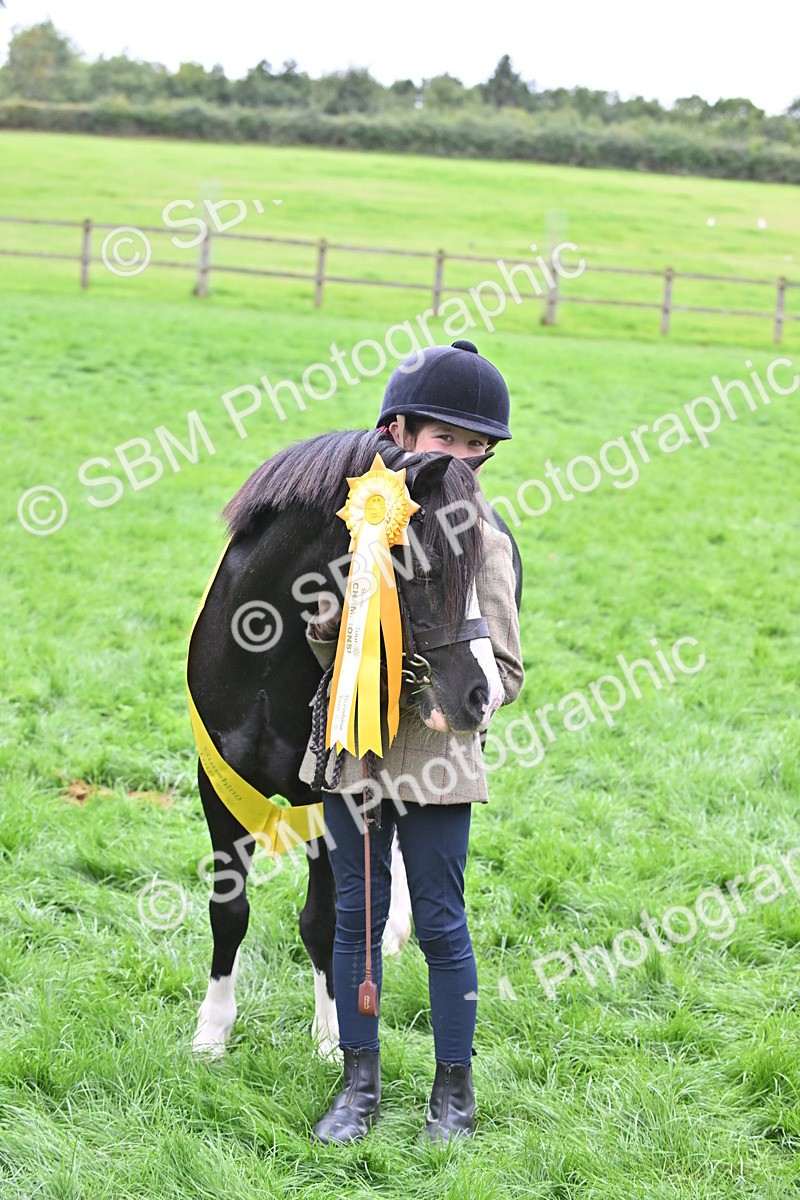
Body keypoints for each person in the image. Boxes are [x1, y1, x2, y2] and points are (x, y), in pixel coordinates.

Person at [300, 339, 524, 1145]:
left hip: (437, 759)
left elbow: (504, 670)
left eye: (474, 445)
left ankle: (453, 1092)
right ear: (397, 431)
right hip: (354, 749)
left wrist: (442, 701)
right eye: (444, 438)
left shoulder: (484, 539)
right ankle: (358, 1085)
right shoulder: (356, 525)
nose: (460, 456)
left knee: (439, 922)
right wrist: (329, 630)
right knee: (355, 917)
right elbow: (327, 657)